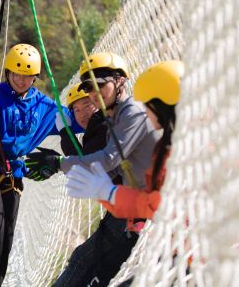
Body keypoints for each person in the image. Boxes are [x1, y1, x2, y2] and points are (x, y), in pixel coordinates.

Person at [25, 53, 160, 286]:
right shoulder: (115, 117)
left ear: (120, 81)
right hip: (129, 209)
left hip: (142, 212)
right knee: (85, 264)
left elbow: (107, 160)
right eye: (88, 88)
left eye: (99, 86)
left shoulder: (132, 113)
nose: (93, 94)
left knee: (85, 265)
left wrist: (59, 163)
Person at [0, 43, 79, 287]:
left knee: (6, 238)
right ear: (8, 72)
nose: (20, 80)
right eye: (16, 74)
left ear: (35, 77)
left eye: (27, 76)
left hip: (13, 173)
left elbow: (77, 121)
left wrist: (89, 113)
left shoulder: (44, 107)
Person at [65, 60, 183, 222]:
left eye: (147, 105)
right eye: (88, 88)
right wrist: (106, 192)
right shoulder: (170, 145)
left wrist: (110, 193)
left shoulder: (179, 150)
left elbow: (156, 206)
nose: (144, 112)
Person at [60, 83, 102, 156]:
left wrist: (65, 133)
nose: (82, 114)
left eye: (86, 106)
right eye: (77, 110)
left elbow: (83, 164)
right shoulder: (91, 135)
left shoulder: (105, 130)